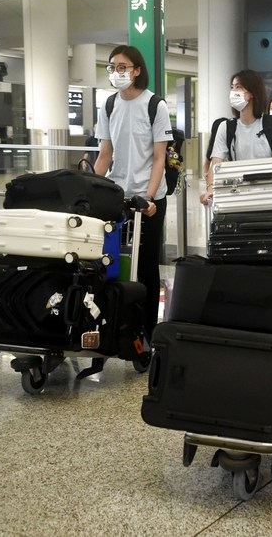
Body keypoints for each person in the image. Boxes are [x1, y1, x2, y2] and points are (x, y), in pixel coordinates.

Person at [93, 44, 169, 342]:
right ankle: (114, 325)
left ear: (137, 70)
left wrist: (148, 198)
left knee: (146, 264)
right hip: (117, 196)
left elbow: (160, 158)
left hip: (149, 199)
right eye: (112, 67)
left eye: (123, 67)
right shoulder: (109, 105)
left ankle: (148, 332)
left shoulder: (155, 105)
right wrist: (87, 188)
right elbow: (104, 154)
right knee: (110, 261)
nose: (117, 72)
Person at [200, 69, 272, 204]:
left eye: (238, 87)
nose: (233, 92)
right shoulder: (226, 127)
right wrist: (210, 189)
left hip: (270, 196)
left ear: (252, 92)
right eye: (232, 87)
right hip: (239, 196)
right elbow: (216, 166)